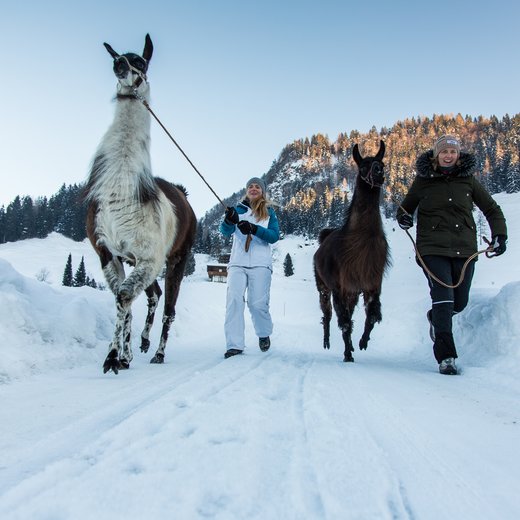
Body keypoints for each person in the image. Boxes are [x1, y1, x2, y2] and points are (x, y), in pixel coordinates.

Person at [396, 135, 507, 375]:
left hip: (464, 249)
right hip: (432, 249)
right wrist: (404, 217)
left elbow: (491, 208)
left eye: (452, 152)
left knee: (460, 301)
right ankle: (446, 357)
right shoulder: (423, 181)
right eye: (444, 151)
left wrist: (500, 235)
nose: (448, 155)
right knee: (444, 298)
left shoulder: (468, 181)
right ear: (436, 155)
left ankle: (436, 317)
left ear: (458, 156)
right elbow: (406, 206)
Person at [220, 177, 280, 358]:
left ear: (263, 191)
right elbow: (225, 232)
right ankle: (234, 345)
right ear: (246, 190)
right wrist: (229, 221)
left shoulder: (269, 212)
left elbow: (274, 236)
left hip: (261, 264)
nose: (253, 189)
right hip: (238, 262)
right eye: (250, 186)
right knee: (234, 301)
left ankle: (263, 333)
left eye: (257, 187)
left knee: (257, 304)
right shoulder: (237, 210)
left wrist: (254, 229)